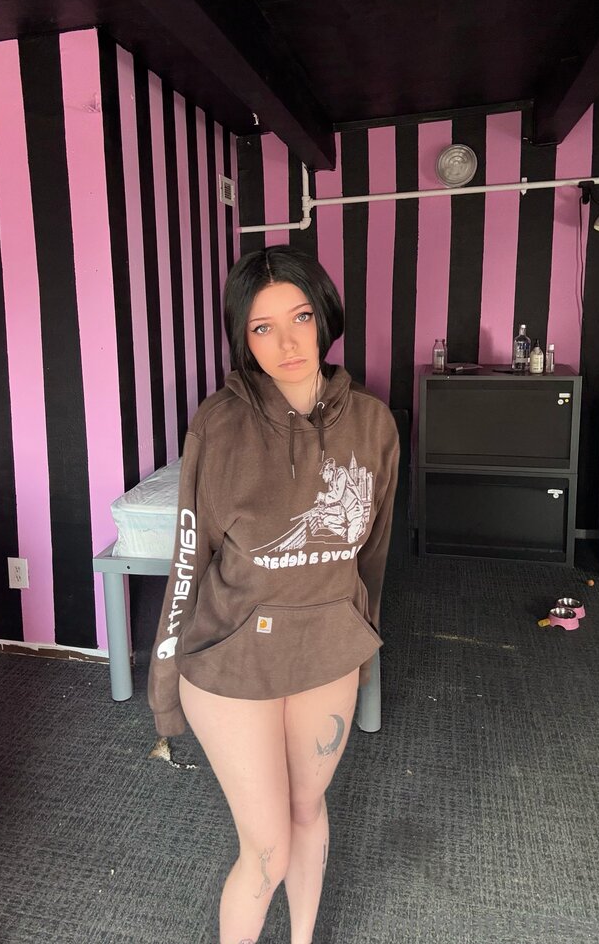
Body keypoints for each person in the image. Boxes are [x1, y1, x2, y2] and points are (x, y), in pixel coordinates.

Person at [148, 245, 400, 944]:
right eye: (263, 327)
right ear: (243, 338)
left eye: (300, 317)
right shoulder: (218, 426)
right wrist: (165, 686)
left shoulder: (374, 424)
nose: (287, 343)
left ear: (325, 317)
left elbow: (371, 557)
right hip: (232, 659)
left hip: (327, 652)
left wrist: (362, 646)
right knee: (267, 850)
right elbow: (189, 562)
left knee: (307, 811)